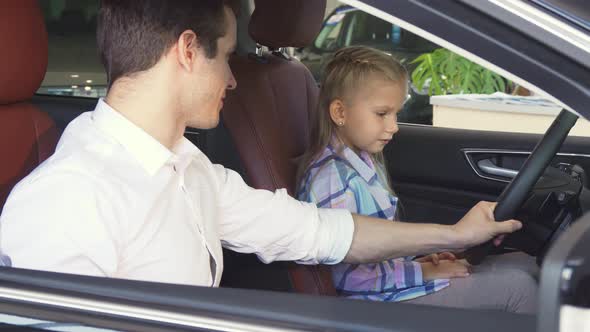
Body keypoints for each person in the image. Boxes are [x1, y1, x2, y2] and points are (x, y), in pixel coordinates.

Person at [0, 0, 521, 295]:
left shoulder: (189, 167)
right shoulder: (67, 196)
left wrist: (452, 234)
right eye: (227, 56)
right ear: (186, 51)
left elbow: (317, 231)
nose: (232, 78)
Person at [297, 46, 538, 313]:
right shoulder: (333, 181)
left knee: (526, 264)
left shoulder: (360, 161)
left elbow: (376, 253)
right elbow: (348, 277)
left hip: (385, 288)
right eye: (382, 114)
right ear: (340, 113)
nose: (394, 126)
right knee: (520, 288)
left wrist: (419, 262)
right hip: (370, 306)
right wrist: (422, 273)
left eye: (396, 114)